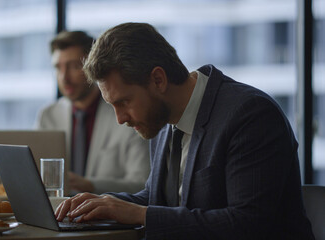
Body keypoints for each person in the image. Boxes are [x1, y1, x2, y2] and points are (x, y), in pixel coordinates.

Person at [55, 23, 315, 239]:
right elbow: (159, 199)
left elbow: (247, 224)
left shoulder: (250, 115)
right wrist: (102, 203)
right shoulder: (162, 120)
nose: (120, 118)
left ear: (158, 79)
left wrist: (138, 214)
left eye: (123, 102)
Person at [36, 31, 150, 194]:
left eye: (74, 66)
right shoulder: (48, 115)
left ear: (93, 67)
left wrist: (91, 186)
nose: (64, 77)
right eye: (58, 67)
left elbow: (142, 184)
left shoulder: (126, 114)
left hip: (108, 216)